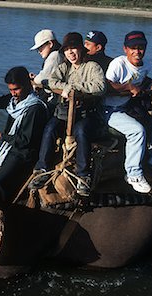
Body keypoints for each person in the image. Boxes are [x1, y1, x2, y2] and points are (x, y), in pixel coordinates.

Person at [31, 32, 106, 196]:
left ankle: (83, 175)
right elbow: (49, 81)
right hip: (66, 113)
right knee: (50, 127)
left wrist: (74, 88)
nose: (71, 53)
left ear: (81, 49)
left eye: (74, 48)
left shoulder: (92, 67)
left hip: (87, 114)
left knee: (81, 131)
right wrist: (65, 88)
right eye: (67, 50)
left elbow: (100, 87)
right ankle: (42, 168)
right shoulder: (64, 67)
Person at [104, 31, 152, 194]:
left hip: (127, 106)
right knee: (137, 131)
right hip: (109, 109)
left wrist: (146, 86)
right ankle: (133, 174)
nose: (137, 52)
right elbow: (106, 86)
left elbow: (143, 81)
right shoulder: (118, 64)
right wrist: (128, 87)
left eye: (141, 48)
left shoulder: (146, 66)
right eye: (133, 48)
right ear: (125, 49)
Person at [0, 65, 49, 206]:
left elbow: (26, 141)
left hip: (24, 153)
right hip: (10, 145)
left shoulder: (35, 108)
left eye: (16, 89)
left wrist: (0, 136)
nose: (13, 93)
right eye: (11, 90)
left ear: (27, 85)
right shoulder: (14, 100)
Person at [29, 29, 64, 113]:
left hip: (55, 99)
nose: (39, 51)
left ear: (50, 44)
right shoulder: (58, 54)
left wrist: (33, 79)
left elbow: (42, 78)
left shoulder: (54, 56)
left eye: (40, 47)